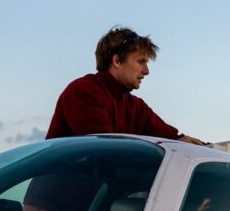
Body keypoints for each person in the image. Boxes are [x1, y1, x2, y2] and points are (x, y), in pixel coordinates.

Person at [45, 26, 205, 144]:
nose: (146, 71)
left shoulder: (135, 106)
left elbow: (173, 140)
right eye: (141, 61)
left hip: (96, 188)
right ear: (117, 61)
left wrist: (207, 148)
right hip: (61, 188)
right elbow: (103, 151)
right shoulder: (83, 92)